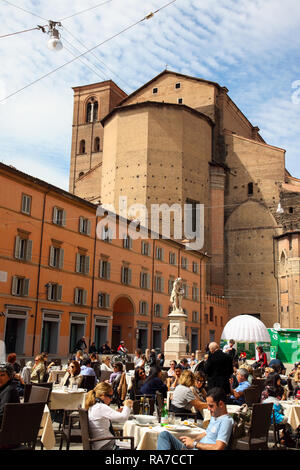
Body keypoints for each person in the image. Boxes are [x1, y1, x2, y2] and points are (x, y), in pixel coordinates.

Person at [157, 387, 234, 450]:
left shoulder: (226, 421)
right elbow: (206, 433)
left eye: (211, 406)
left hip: (196, 448)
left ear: (220, 404)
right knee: (164, 435)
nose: (208, 409)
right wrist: (192, 440)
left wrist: (195, 444)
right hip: (194, 448)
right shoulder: (215, 416)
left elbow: (218, 447)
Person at [85, 382, 133, 449]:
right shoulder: (101, 407)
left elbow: (101, 419)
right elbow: (123, 418)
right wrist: (127, 405)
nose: (111, 399)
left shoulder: (93, 405)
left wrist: (115, 412)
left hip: (100, 443)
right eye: (110, 396)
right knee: (137, 445)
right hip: (106, 445)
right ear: (102, 395)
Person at [0, 363, 20, 428]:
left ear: (9, 377)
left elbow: (2, 415)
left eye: (2, 375)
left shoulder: (9, 390)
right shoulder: (4, 387)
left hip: (5, 431)